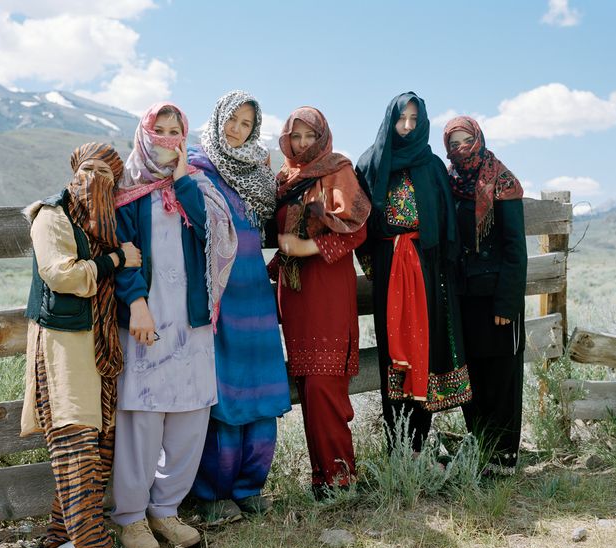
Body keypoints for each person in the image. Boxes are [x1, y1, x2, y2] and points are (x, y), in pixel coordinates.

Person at [111, 102, 237, 548]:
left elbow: (208, 233)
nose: (166, 139)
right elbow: (120, 250)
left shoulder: (196, 186)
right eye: (158, 130)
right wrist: (137, 304)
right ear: (144, 134)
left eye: (174, 131)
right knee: (142, 419)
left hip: (192, 324)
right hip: (146, 322)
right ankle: (130, 518)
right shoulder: (127, 189)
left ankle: (166, 510)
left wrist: (183, 179)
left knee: (189, 417)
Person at [21, 142, 140, 548]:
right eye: (89, 170)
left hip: (97, 344)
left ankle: (60, 537)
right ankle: (92, 547)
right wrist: (114, 260)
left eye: (108, 175)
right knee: (73, 439)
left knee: (95, 441)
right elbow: (62, 274)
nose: (97, 181)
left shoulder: (102, 223)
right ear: (74, 171)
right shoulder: (51, 216)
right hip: (61, 346)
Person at [189, 90, 291, 524]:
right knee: (225, 392)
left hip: (257, 296)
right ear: (217, 120)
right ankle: (213, 494)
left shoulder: (258, 173)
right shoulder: (197, 170)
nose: (237, 130)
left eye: (246, 124)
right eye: (232, 120)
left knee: (262, 390)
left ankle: (251, 487)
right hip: (221, 298)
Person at [355, 92, 472, 454]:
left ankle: (420, 444)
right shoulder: (371, 163)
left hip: (429, 272)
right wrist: (375, 267)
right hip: (391, 271)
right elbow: (361, 224)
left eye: (413, 120)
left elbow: (448, 223)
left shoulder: (432, 166)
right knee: (395, 353)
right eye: (401, 118)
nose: (406, 126)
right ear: (390, 119)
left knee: (427, 349)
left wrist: (442, 270)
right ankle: (398, 448)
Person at [268, 106, 370, 497]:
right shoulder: (285, 178)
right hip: (295, 294)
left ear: (323, 136)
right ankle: (321, 479)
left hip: (327, 288)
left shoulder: (337, 170)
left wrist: (308, 247)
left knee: (326, 383)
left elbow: (355, 232)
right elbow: (283, 236)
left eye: (310, 135)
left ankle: (341, 478)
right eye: (296, 137)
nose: (303, 143)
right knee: (309, 384)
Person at [443, 116, 526, 475]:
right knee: (473, 375)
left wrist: (507, 303)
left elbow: (514, 248)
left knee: (502, 375)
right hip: (465, 297)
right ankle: (481, 449)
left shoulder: (503, 181)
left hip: (497, 299)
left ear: (478, 138)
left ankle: (504, 456)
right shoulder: (450, 183)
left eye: (466, 140)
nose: (461, 149)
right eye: (454, 143)